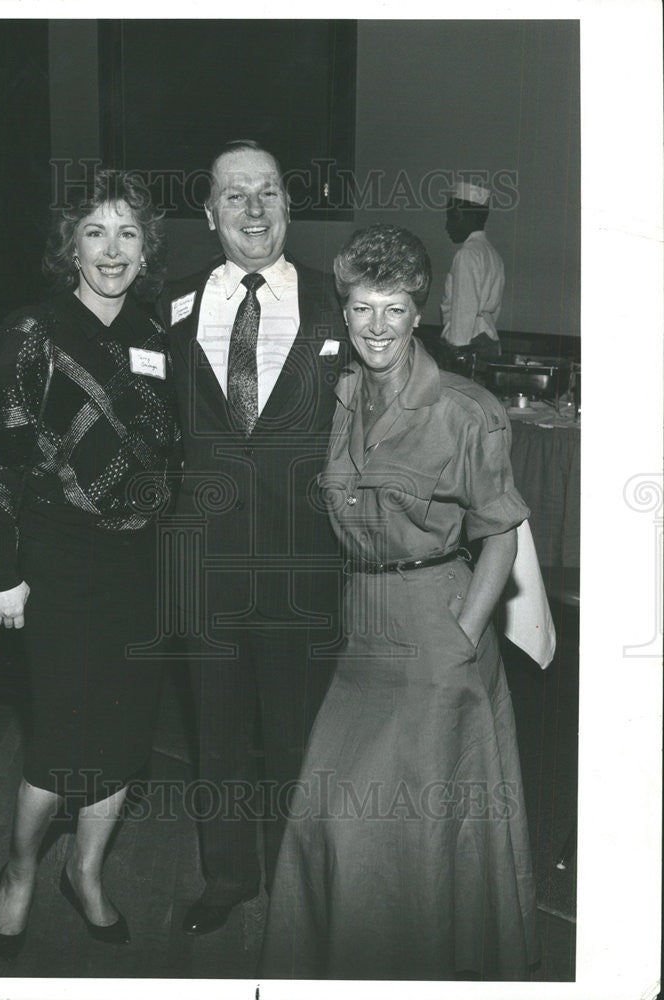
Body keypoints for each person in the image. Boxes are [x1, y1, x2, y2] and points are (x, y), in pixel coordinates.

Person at [260, 224, 538, 980]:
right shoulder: (346, 395)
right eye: (361, 309)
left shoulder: (463, 409)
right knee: (331, 820)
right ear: (342, 312)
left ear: (419, 312)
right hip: (362, 631)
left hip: (435, 626)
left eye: (393, 308)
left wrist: (462, 636)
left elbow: (503, 540)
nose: (376, 326)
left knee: (392, 831)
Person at [0, 169, 181, 960]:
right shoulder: (33, 331)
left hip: (140, 565)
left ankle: (85, 873)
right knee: (60, 739)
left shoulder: (157, 337)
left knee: (125, 735)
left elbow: (172, 459)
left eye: (127, 232)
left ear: (145, 245)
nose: (113, 249)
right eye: (95, 231)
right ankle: (20, 871)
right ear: (71, 245)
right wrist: (0, 577)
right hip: (54, 564)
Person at [163, 140, 347, 936]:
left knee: (301, 734)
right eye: (234, 195)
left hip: (303, 566)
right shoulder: (166, 308)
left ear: (287, 204)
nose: (253, 209)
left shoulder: (338, 306)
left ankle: (303, 882)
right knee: (219, 734)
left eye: (268, 191)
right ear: (209, 214)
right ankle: (229, 876)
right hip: (203, 565)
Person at [440, 180, 504, 358]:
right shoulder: (492, 254)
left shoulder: (467, 254)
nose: (447, 226)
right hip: (488, 340)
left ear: (461, 215)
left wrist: (456, 355)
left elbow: (463, 309)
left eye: (450, 217)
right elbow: (494, 310)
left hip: (468, 347)